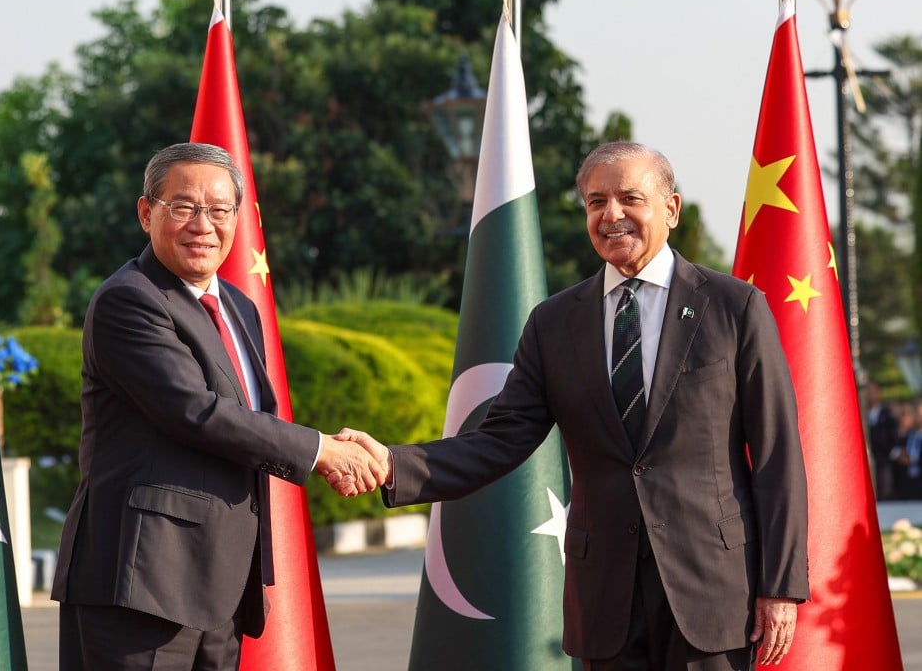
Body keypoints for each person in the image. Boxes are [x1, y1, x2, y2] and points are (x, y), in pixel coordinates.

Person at [333, 142, 809, 670]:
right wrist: (392, 464)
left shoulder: (734, 307)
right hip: (605, 597)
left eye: (630, 198)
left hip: (713, 591)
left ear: (671, 209)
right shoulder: (554, 322)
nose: (612, 215)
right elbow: (498, 441)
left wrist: (781, 586)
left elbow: (777, 458)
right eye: (595, 201)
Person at [51, 142, 384, 670]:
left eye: (219, 209)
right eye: (182, 206)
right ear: (146, 213)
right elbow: (197, 412)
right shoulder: (129, 300)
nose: (202, 224)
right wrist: (321, 451)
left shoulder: (238, 306)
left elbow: (255, 423)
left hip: (222, 585)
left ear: (238, 217)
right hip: (142, 583)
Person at [866, 381, 899, 500]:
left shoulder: (887, 416)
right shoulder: (861, 414)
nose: (869, 394)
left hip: (883, 464)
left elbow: (892, 439)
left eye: (872, 391)